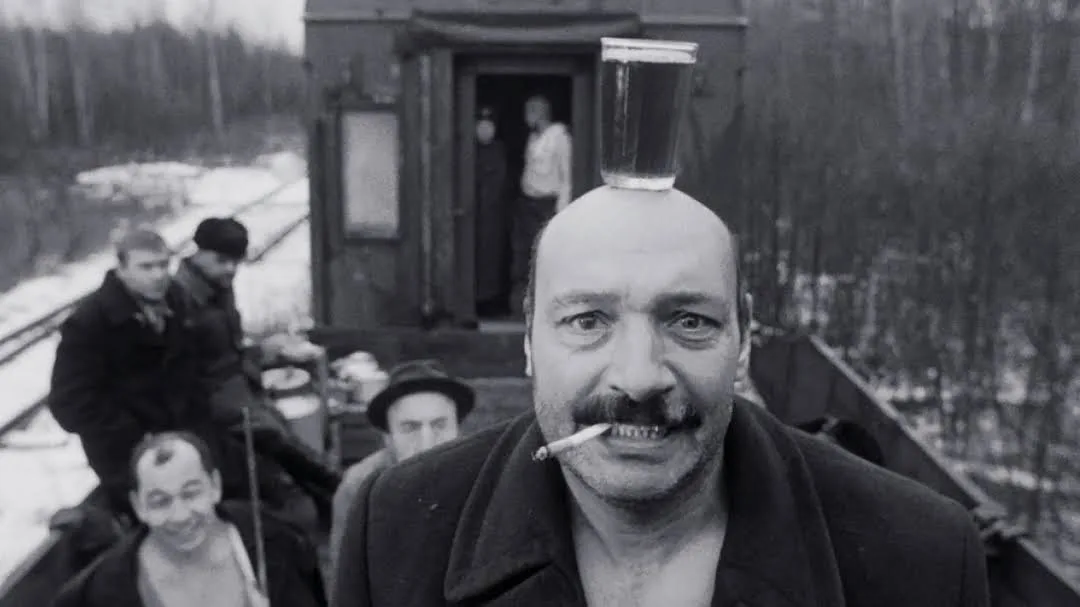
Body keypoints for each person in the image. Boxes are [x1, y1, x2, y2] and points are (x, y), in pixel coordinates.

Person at [332, 186, 990, 606]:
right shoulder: (395, 530)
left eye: (689, 321)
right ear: (530, 337)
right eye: (587, 320)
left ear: (744, 337)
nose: (639, 377)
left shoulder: (923, 559)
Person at [173, 217, 342, 522]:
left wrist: (262, 352)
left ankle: (331, 498)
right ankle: (334, 487)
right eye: (222, 260)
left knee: (286, 439)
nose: (230, 269)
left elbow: (230, 350)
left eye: (235, 262)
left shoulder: (218, 287)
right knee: (281, 446)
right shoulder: (180, 300)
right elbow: (192, 371)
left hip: (241, 390)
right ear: (199, 252)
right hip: (216, 406)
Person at [49, 228, 219, 519]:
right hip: (127, 456)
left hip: (186, 439)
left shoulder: (176, 300)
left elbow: (195, 367)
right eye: (146, 267)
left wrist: (197, 425)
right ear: (121, 269)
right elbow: (69, 403)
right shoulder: (89, 323)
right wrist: (136, 438)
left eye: (163, 265)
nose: (158, 275)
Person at [51, 431, 326, 607]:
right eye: (160, 501)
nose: (180, 515)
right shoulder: (103, 590)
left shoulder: (277, 542)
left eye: (191, 493)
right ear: (138, 506)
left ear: (215, 486)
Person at [328, 359, 473, 575]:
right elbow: (344, 578)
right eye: (410, 428)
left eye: (439, 425)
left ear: (458, 430)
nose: (427, 443)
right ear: (388, 437)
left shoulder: (484, 475)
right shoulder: (359, 487)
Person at [509, 95, 572, 315]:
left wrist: (561, 212)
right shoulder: (533, 137)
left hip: (547, 205)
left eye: (530, 112)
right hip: (527, 202)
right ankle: (522, 307)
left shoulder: (560, 137)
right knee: (522, 254)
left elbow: (567, 176)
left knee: (545, 255)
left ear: (541, 113)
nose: (526, 117)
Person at [474, 106, 511, 316]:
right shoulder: (469, 150)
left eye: (489, 125)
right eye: (481, 125)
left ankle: (492, 301)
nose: (485, 130)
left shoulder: (498, 151)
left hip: (494, 214)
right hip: (473, 215)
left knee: (494, 258)